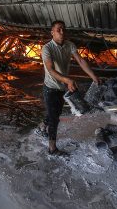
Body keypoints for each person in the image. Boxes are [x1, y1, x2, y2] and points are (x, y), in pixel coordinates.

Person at [40, 20, 100, 155]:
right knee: (54, 118)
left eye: (63, 29)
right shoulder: (47, 48)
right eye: (59, 29)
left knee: (54, 112)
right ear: (52, 32)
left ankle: (42, 127)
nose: (62, 32)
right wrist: (67, 80)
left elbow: (81, 61)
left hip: (61, 87)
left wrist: (93, 76)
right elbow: (50, 69)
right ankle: (52, 149)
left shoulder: (69, 45)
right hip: (50, 87)